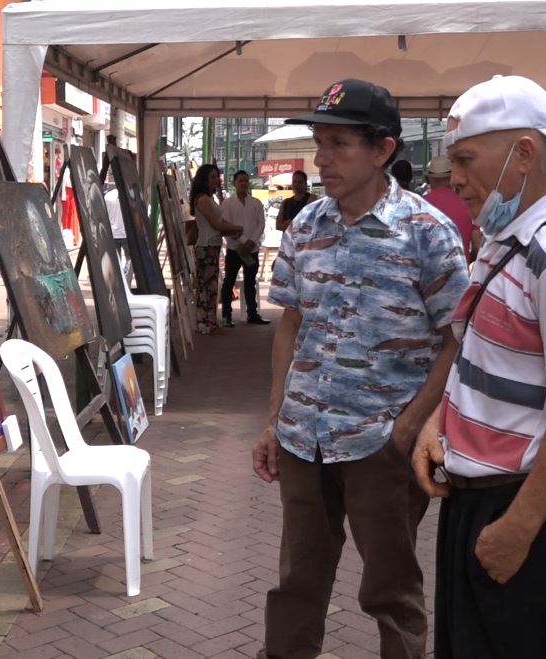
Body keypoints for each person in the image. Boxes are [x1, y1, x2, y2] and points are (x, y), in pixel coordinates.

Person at [253, 78, 470, 659]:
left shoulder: (427, 233)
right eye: (319, 142)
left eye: (340, 143)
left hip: (382, 444)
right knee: (297, 582)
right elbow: (291, 324)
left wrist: (409, 429)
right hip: (305, 438)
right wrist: (275, 419)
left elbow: (458, 338)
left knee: (391, 589)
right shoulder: (306, 226)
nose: (322, 159)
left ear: (383, 150)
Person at [411, 75, 546, 659]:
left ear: (523, 153)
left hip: (520, 508)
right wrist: (437, 428)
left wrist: (519, 527)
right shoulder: (504, 241)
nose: (454, 178)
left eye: (466, 159)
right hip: (477, 501)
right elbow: (474, 354)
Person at [190, 164, 243, 335]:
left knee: (212, 286)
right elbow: (216, 223)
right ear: (204, 179)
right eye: (212, 176)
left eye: (217, 176)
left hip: (212, 245)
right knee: (206, 287)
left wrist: (232, 229)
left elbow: (220, 222)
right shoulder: (203, 199)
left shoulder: (209, 198)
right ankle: (203, 323)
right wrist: (234, 228)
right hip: (205, 247)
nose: (216, 180)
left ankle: (210, 321)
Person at [220, 170, 270, 326]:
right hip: (235, 249)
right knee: (229, 281)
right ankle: (227, 315)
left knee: (250, 282)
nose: (243, 183)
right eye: (240, 180)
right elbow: (226, 225)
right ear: (234, 183)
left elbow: (261, 225)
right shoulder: (227, 203)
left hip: (251, 250)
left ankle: (253, 314)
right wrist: (242, 241)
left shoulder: (256, 203)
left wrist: (251, 242)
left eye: (246, 180)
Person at [424, 155, 478, 262]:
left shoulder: (418, 206)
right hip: (461, 274)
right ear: (451, 177)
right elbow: (477, 245)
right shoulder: (468, 204)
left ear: (429, 179)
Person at [104, 182, 129, 255]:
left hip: (112, 233)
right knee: (130, 259)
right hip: (125, 233)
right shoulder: (127, 196)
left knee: (115, 262)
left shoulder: (107, 197)